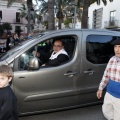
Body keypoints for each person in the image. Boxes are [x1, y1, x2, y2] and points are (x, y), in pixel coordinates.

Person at [96, 38, 120, 120]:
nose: (117, 50)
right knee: (106, 111)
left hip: (119, 98)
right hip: (109, 93)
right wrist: (100, 88)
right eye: (115, 47)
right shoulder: (112, 59)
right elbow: (106, 75)